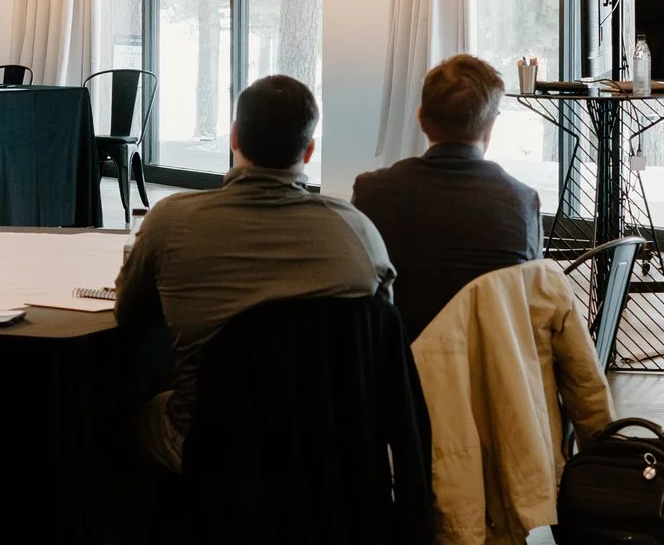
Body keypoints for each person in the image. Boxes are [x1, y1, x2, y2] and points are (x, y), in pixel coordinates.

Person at [115, 75, 393, 472]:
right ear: (309, 150)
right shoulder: (359, 232)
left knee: (117, 419)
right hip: (331, 444)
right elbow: (381, 341)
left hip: (213, 443)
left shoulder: (171, 222)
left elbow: (130, 316)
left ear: (234, 137)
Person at [353, 54, 542, 342]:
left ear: (421, 118)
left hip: (398, 361)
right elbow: (530, 302)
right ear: (491, 125)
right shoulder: (522, 201)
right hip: (485, 362)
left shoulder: (372, 192)